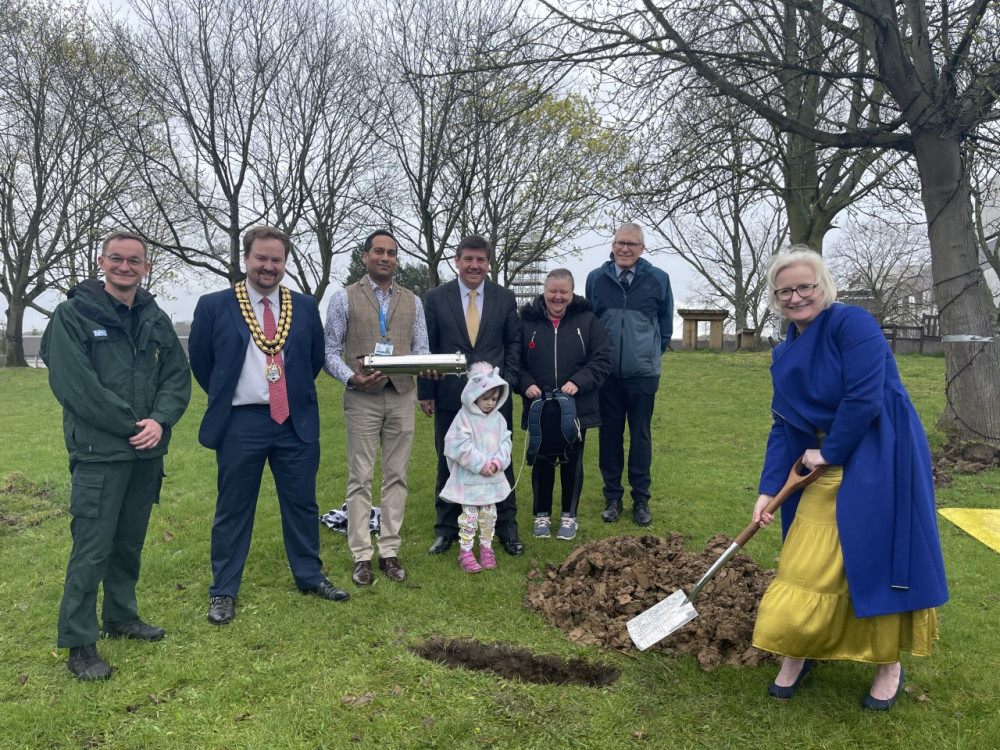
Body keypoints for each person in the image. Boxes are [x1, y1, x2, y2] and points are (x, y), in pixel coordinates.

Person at [751, 247, 948, 711]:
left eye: (805, 286)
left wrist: (829, 451)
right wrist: (767, 490)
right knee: (804, 560)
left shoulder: (851, 323)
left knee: (877, 557)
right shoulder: (784, 351)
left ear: (823, 287)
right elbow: (784, 424)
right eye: (785, 290)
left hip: (879, 449)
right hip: (820, 459)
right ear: (775, 298)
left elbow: (864, 397)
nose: (796, 296)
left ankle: (888, 666)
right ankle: (799, 652)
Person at [40, 230, 191, 681]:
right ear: (101, 262)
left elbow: (177, 377)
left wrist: (160, 420)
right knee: (91, 547)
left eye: (135, 261)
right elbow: (76, 386)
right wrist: (133, 425)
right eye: (117, 259)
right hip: (99, 453)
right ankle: (80, 641)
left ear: (146, 267)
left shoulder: (155, 316)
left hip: (145, 453)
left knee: (127, 542)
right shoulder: (73, 315)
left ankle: (121, 615)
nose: (125, 267)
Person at [189, 226, 349, 626]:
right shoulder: (215, 305)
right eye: (261, 258)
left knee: (302, 503)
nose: (268, 266)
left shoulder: (305, 306)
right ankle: (223, 590)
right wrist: (235, 394)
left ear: (284, 263)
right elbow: (204, 364)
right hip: (241, 421)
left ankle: (310, 577)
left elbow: (312, 360)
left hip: (293, 422)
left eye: (276, 259)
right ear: (246, 259)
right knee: (233, 508)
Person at [324, 230, 430, 586]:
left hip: (401, 396)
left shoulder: (413, 301)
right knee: (360, 477)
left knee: (397, 476)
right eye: (379, 252)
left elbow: (422, 350)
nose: (386, 257)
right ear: (365, 256)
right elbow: (328, 351)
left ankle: (389, 550)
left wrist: (432, 366)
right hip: (362, 398)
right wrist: (351, 379)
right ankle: (361, 555)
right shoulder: (343, 298)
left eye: (392, 253)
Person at [418, 235, 523, 556]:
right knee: (449, 460)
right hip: (451, 396)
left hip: (494, 399)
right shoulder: (435, 298)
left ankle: (507, 528)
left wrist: (508, 380)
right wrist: (426, 391)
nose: (474, 266)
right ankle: (446, 529)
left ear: (488, 263)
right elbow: (427, 348)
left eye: (480, 260)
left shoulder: (505, 298)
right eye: (468, 259)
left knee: (499, 460)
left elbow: (513, 343)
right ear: (457, 260)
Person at [585, 222, 673, 526]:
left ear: (642, 248)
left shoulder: (659, 279)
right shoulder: (596, 279)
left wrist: (647, 356)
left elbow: (665, 327)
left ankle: (641, 499)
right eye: (620, 242)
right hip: (606, 376)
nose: (625, 248)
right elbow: (590, 325)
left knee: (640, 437)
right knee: (609, 437)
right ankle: (612, 497)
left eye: (632, 244)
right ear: (612, 245)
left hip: (643, 375)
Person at [518, 269, 611, 541]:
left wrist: (579, 382)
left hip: (577, 407)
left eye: (564, 292)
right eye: (552, 291)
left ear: (572, 293)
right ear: (544, 291)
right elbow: (516, 360)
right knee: (543, 461)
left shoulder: (587, 320)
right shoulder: (526, 321)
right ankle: (542, 515)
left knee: (572, 460)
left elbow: (602, 358)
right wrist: (525, 383)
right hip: (540, 406)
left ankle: (569, 516)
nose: (557, 297)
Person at [440, 363, 513, 572]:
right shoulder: (464, 418)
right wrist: (481, 464)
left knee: (489, 515)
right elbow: (456, 444)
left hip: (492, 478)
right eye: (486, 398)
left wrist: (498, 462)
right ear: (474, 395)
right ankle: (465, 551)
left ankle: (486, 548)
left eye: (494, 399)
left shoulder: (498, 419)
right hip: (471, 479)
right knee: (470, 516)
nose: (490, 403)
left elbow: (506, 442)